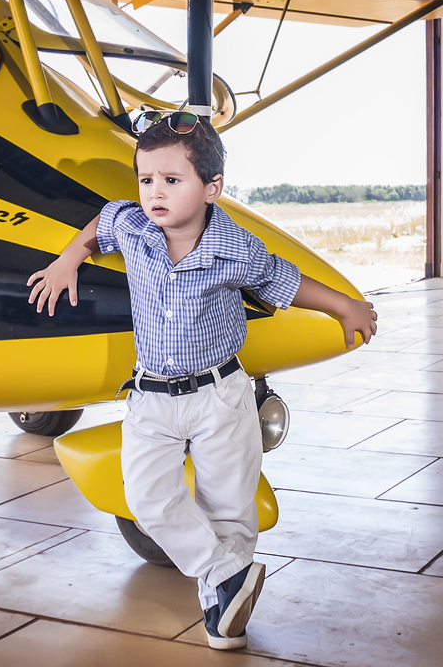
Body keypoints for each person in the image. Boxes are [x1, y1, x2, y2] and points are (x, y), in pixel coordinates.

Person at [26, 111, 377, 650]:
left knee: (229, 510)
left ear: (212, 188)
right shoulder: (136, 228)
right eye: (146, 180)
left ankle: (221, 619)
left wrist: (344, 306)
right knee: (147, 499)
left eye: (172, 181)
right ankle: (224, 574)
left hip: (221, 396)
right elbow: (104, 222)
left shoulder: (233, 248)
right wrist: (67, 260)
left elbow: (283, 279)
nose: (154, 193)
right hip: (152, 398)